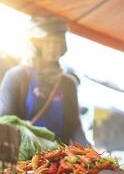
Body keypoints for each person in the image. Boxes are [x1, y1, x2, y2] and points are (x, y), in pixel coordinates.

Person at [0, 16, 89, 146]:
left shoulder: (68, 83)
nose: (53, 47)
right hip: (23, 157)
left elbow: (75, 127)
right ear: (36, 44)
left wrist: (89, 150)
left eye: (57, 42)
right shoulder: (17, 76)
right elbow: (6, 121)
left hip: (57, 159)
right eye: (47, 42)